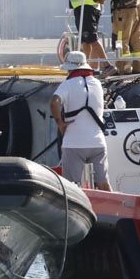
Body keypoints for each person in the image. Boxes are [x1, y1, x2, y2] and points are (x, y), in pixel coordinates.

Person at [49, 50, 112, 191]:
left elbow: (54, 102)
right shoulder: (97, 84)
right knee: (103, 183)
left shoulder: (68, 84)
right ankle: (113, 210)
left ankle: (74, 211)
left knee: (71, 186)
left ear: (70, 69)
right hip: (98, 143)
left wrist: (60, 123)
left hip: (74, 143)